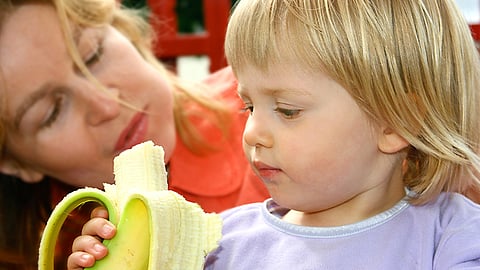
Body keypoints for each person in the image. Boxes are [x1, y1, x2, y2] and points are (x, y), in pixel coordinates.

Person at [68, 0, 480, 269]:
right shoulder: (219, 245)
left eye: (287, 110)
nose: (252, 132)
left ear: (398, 121)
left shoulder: (453, 239)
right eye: (248, 106)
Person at [0, 0, 270, 269]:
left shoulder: (286, 102)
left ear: (122, 28)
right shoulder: (60, 254)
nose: (106, 105)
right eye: (52, 112)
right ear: (15, 164)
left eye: (93, 54)